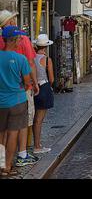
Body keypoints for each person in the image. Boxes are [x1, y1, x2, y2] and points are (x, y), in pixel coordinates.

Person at [0, 10, 39, 166]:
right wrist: (34, 84)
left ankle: (2, 162)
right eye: (14, 19)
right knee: (17, 130)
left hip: (1, 99)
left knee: (1, 133)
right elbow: (29, 68)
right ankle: (16, 159)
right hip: (17, 97)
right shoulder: (22, 43)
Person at [0, 26, 32, 176]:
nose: (20, 40)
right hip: (17, 101)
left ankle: (0, 165)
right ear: (12, 40)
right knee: (13, 134)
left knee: (1, 135)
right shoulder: (21, 59)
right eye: (18, 38)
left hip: (1, 102)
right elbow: (27, 82)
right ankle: (7, 166)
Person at [32, 34, 55, 154]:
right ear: (45, 46)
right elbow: (51, 78)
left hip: (34, 89)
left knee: (35, 118)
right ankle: (37, 146)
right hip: (44, 87)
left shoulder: (32, 58)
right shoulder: (47, 59)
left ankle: (36, 144)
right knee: (39, 120)